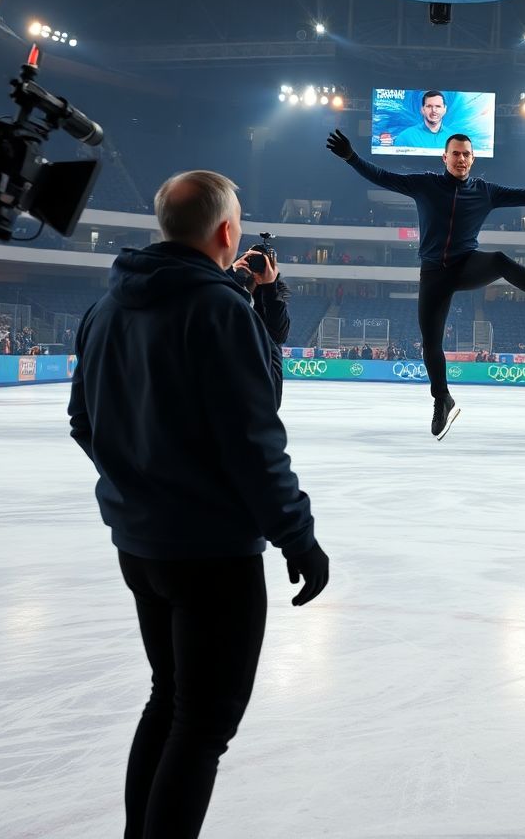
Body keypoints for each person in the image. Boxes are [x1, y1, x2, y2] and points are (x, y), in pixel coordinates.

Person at [68, 170, 330, 839]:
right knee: (202, 725)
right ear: (226, 232)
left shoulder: (106, 308)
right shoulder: (217, 310)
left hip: (140, 544)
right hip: (211, 556)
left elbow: (82, 420)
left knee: (170, 700)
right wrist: (298, 538)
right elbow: (254, 438)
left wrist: (139, 485)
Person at [326, 128, 525, 438]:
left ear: (472, 159)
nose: (461, 158)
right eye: (456, 154)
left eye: (466, 154)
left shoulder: (486, 191)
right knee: (431, 343)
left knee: (500, 260)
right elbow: (382, 176)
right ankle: (442, 399)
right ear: (444, 157)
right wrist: (351, 158)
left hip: (466, 266)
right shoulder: (424, 184)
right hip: (433, 273)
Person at [230, 244, 290, 406]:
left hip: (257, 396)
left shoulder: (275, 297)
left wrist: (270, 288)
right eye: (251, 260)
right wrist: (231, 273)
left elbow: (277, 336)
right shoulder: (228, 290)